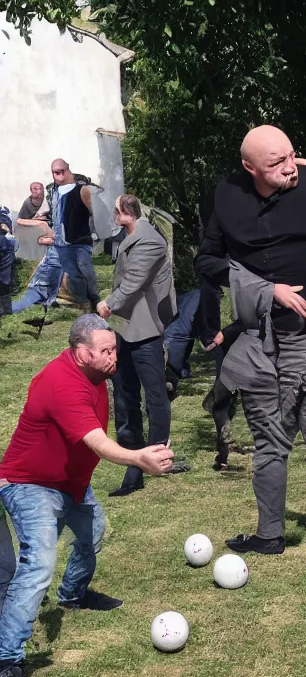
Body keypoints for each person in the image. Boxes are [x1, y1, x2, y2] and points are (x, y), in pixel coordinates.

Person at [196, 125, 306, 553]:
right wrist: (264, 290)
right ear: (250, 168)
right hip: (258, 338)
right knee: (295, 430)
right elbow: (206, 259)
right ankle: (295, 532)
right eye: (276, 163)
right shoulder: (227, 195)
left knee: (286, 434)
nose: (290, 169)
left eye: (291, 156)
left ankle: (289, 533)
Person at [0, 315, 175, 677]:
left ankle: (73, 594)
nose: (114, 356)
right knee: (39, 565)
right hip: (29, 485)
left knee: (92, 533)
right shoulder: (61, 382)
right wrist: (136, 459)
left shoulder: (97, 376)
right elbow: (97, 441)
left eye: (114, 348)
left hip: (71, 485)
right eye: (107, 351)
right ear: (82, 353)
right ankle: (6, 660)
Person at [96, 194, 177, 497]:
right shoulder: (128, 235)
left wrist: (108, 304)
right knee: (124, 393)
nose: (114, 216)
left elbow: (133, 282)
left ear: (126, 213)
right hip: (124, 327)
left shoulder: (150, 240)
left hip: (144, 328)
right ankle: (133, 461)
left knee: (154, 393)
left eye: (116, 212)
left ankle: (158, 455)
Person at [47, 159, 102, 311]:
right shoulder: (53, 192)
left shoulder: (81, 190)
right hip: (61, 242)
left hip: (80, 241)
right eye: (54, 173)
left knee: (86, 270)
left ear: (67, 171)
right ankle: (83, 302)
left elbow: (96, 213)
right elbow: (55, 215)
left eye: (59, 172)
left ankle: (95, 300)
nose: (57, 176)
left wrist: (96, 232)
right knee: (73, 273)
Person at [0, 208, 18, 315]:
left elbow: (7, 229)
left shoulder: (3, 214)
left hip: (5, 255)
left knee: (4, 283)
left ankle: (7, 310)